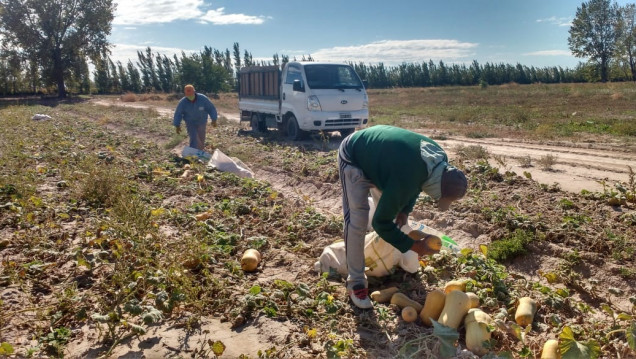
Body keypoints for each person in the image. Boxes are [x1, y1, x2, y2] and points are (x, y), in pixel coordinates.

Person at [338, 125, 468, 309]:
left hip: (386, 164)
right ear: (436, 185)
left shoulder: (440, 163)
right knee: (357, 220)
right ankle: (356, 282)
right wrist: (414, 246)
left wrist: (405, 210)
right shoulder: (407, 177)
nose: (436, 200)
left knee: (394, 216)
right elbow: (381, 223)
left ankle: (386, 255)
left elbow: (418, 183)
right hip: (355, 156)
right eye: (438, 196)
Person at [173, 84, 218, 150]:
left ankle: (200, 152)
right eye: (187, 95)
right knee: (194, 137)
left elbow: (211, 108)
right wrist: (177, 125)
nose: (190, 96)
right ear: (185, 94)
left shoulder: (203, 99)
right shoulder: (183, 102)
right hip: (190, 122)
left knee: (201, 137)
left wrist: (214, 119)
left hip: (202, 121)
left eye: (191, 94)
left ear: (194, 92)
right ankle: (193, 153)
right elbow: (178, 113)